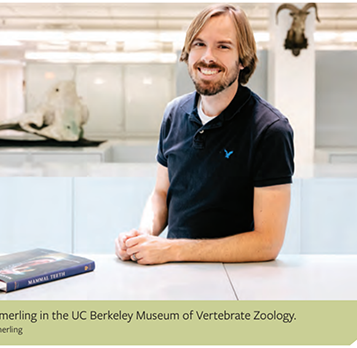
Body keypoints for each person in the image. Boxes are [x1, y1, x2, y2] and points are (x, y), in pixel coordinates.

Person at [115, 4, 294, 265]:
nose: (207, 57)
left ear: (242, 59)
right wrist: (143, 235)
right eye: (199, 44)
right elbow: (161, 194)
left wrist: (172, 250)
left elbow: (267, 242)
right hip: (173, 274)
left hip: (238, 280)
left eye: (223, 46)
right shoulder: (174, 114)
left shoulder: (270, 129)